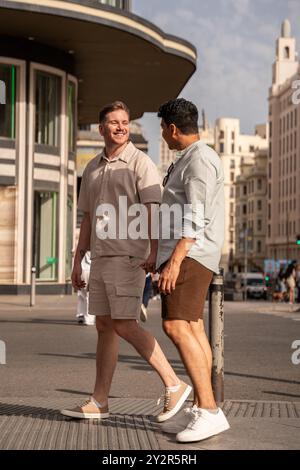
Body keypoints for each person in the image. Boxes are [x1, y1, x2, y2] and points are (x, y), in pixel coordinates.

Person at [61, 101, 191, 421]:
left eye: (125, 122)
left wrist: (153, 251)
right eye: (114, 122)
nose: (120, 127)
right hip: (101, 257)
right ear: (100, 128)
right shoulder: (91, 167)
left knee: (123, 324)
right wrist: (77, 260)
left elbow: (152, 211)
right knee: (105, 327)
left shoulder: (140, 162)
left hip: (129, 256)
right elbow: (89, 218)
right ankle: (100, 401)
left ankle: (174, 385)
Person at [155, 98, 230, 443]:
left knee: (174, 325)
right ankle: (206, 407)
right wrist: (159, 254)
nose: (164, 135)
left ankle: (210, 410)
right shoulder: (190, 158)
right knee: (194, 327)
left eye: (162, 129)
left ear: (172, 128)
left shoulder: (198, 160)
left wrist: (174, 261)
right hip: (188, 253)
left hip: (192, 255)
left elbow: (196, 217)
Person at [76, 251, 95, 326]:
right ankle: (89, 318)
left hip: (82, 269)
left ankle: (81, 314)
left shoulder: (80, 244)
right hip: (90, 269)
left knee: (82, 294)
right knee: (89, 295)